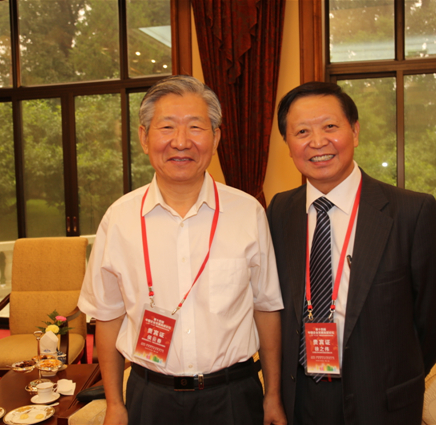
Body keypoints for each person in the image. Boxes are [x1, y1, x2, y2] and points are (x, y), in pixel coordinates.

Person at [78, 75, 286, 425]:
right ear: (144, 137)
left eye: (195, 127)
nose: (180, 141)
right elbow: (108, 316)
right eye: (167, 127)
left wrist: (273, 396)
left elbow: (266, 309)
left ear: (215, 138)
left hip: (233, 396)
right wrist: (115, 403)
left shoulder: (248, 212)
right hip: (150, 396)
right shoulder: (119, 219)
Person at [266, 82, 436, 425]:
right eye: (302, 132)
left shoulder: (412, 212)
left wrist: (397, 374)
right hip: (300, 398)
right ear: (288, 144)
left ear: (354, 132)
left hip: (381, 399)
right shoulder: (280, 210)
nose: (317, 142)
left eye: (330, 126)